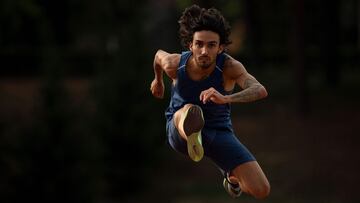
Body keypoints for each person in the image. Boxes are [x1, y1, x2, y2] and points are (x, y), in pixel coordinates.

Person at [150, 4, 270, 199]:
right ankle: (191, 130)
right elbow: (158, 56)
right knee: (189, 109)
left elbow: (259, 90)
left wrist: (226, 98)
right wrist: (157, 81)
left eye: (211, 45)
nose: (204, 51)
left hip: (219, 132)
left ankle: (231, 179)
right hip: (179, 131)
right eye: (199, 44)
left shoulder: (229, 67)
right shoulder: (174, 64)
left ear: (221, 47)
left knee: (261, 189)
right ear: (190, 45)